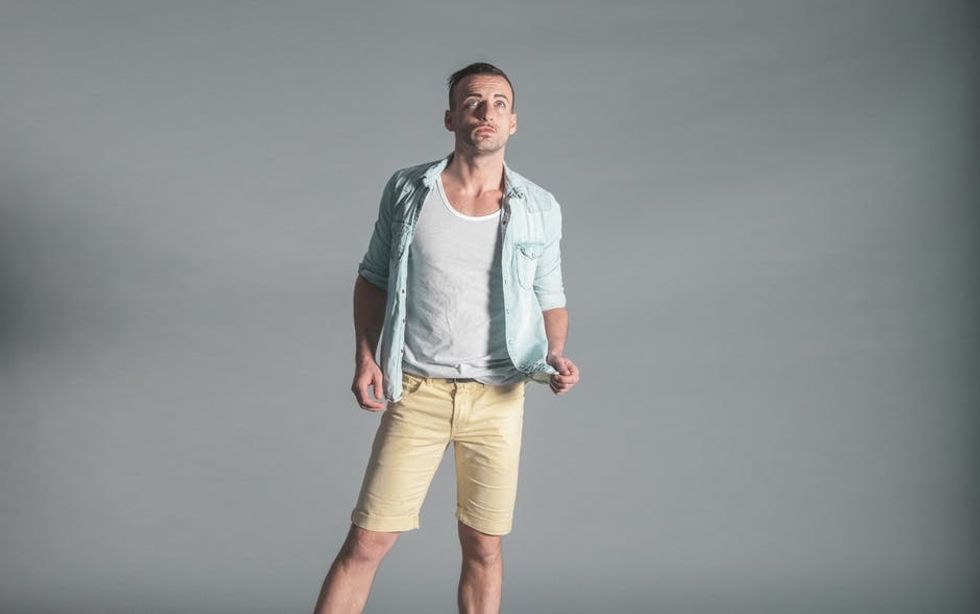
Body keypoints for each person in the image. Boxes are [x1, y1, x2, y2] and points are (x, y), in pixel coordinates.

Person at [312, 62, 580, 614]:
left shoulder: (540, 206)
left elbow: (550, 296)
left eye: (499, 103)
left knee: (484, 548)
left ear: (513, 122)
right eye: (473, 102)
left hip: (499, 398)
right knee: (366, 544)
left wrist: (555, 354)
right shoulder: (409, 190)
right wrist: (365, 355)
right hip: (417, 392)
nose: (487, 112)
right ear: (451, 117)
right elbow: (372, 278)